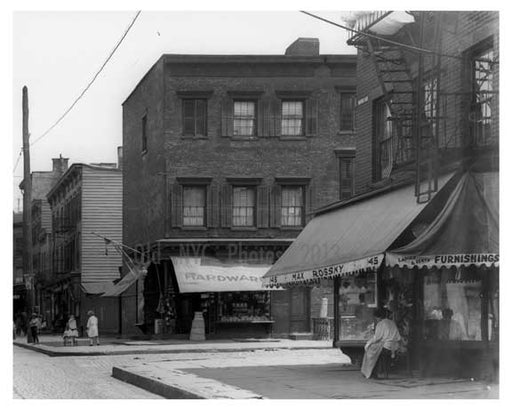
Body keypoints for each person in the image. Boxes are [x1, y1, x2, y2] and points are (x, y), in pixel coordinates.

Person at [361, 308, 401, 379]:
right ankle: (372, 372)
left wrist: (368, 343)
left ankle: (369, 372)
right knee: (374, 350)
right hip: (395, 346)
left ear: (377, 317)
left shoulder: (381, 324)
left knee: (370, 352)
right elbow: (398, 337)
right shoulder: (392, 322)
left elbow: (377, 337)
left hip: (386, 346)